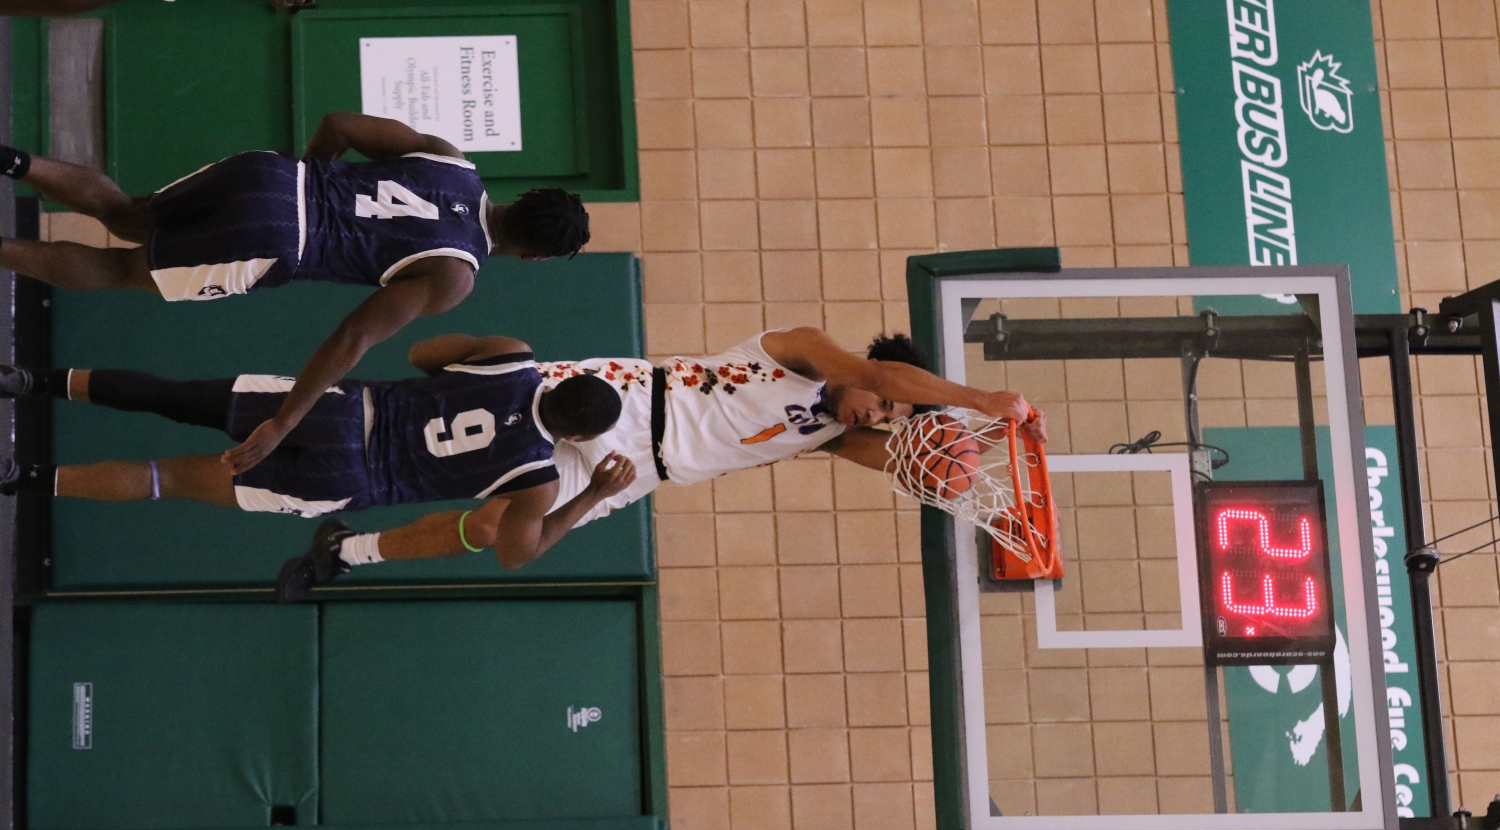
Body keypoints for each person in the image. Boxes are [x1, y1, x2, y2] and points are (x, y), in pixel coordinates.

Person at [0, 112, 590, 474]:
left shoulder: (452, 162)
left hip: (273, 176)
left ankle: (15, 160)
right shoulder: (455, 275)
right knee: (120, 269)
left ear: (527, 195)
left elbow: (340, 124)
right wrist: (284, 422)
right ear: (535, 256)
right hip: (273, 241)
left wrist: (306, 183)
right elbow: (353, 335)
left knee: (131, 213)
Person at [275, 326, 1047, 599]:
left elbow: (919, 468)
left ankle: (347, 549)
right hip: (615, 401)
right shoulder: (804, 350)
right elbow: (883, 380)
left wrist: (998, 491)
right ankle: (327, 403)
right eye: (883, 404)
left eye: (887, 419)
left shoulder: (832, 436)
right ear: (871, 375)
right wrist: (983, 397)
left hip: (638, 469)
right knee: (460, 420)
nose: (878, 416)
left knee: (496, 527)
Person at [0, 334, 636, 591]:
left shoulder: (510, 356)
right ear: (576, 437)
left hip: (332, 411)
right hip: (344, 479)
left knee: (166, 393)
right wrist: (590, 498)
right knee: (162, 479)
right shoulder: (538, 480)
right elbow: (515, 554)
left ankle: (30, 379)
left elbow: (422, 351)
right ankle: (19, 477)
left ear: (561, 382)